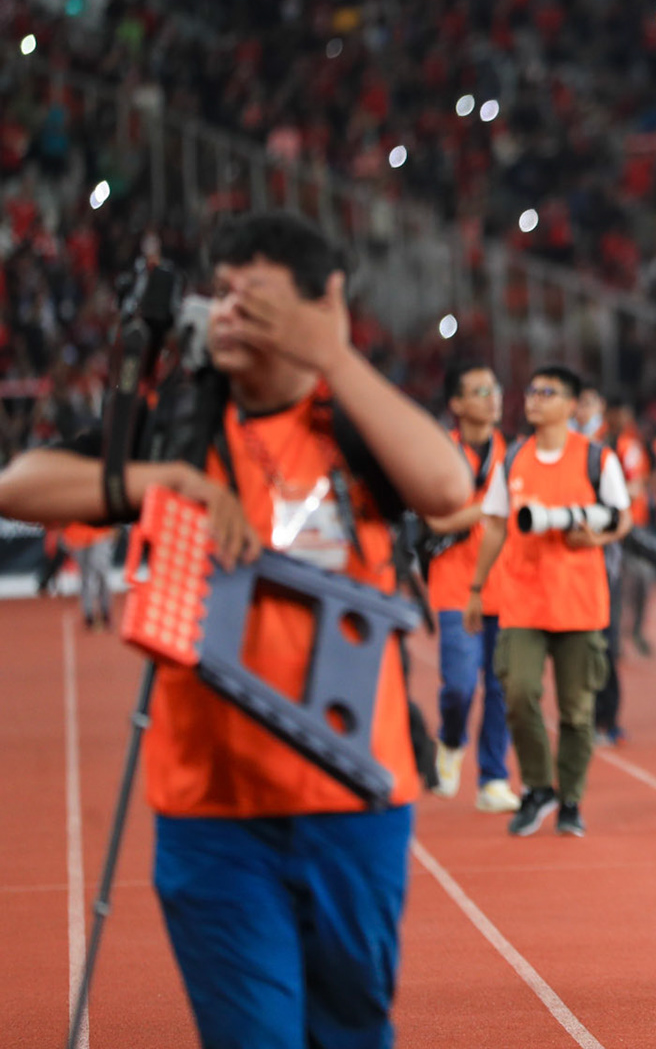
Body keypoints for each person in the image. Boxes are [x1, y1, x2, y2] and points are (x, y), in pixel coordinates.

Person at [0, 210, 473, 1048]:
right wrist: (160, 481)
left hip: (353, 802)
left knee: (352, 1031)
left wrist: (334, 356)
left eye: (254, 299)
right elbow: (19, 485)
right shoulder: (180, 427)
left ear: (318, 307)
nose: (226, 314)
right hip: (210, 809)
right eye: (220, 294)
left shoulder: (351, 426)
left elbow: (447, 489)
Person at [468, 365, 630, 838]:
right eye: (532, 390)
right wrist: (476, 588)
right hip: (523, 601)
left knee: (577, 711)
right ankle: (538, 788)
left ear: (571, 405)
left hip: (580, 603)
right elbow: (495, 525)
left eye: (548, 392)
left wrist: (597, 538)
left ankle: (570, 799)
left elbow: (621, 518)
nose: (535, 399)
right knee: (518, 694)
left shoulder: (596, 458)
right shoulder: (514, 457)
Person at [419, 359, 518, 814]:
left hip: (508, 585)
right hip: (456, 584)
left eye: (494, 389)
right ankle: (452, 738)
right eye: (480, 391)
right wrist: (489, 508)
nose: (492, 397)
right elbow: (433, 521)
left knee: (502, 689)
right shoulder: (440, 454)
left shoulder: (514, 454)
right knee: (459, 685)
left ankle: (494, 778)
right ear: (456, 404)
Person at [595, 395, 652, 743]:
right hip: (598, 540)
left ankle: (637, 630)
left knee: (640, 581)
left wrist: (610, 498)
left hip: (628, 534)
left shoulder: (628, 445)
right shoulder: (592, 443)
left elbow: (636, 486)